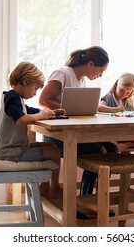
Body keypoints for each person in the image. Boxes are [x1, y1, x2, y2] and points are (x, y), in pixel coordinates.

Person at [39, 46, 118, 200]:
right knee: (99, 151)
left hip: (74, 134)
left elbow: (76, 109)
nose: (100, 74)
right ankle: (86, 199)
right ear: (90, 64)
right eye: (100, 70)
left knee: (112, 148)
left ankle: (94, 198)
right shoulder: (63, 73)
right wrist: (66, 110)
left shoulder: (81, 81)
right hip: (57, 137)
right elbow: (43, 100)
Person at [0, 61, 66, 199]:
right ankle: (54, 188)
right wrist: (40, 115)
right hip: (11, 152)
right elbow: (20, 119)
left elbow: (28, 110)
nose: (35, 93)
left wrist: (51, 112)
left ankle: (44, 187)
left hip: (13, 148)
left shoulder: (13, 98)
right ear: (26, 81)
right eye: (36, 88)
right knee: (53, 152)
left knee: (51, 146)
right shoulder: (12, 98)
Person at [98, 72, 134, 152]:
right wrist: (115, 109)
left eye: (128, 92)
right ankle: (121, 147)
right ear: (116, 84)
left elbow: (132, 117)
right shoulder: (110, 96)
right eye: (122, 90)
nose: (124, 94)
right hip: (112, 133)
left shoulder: (128, 102)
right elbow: (99, 108)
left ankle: (126, 145)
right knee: (113, 145)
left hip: (127, 133)